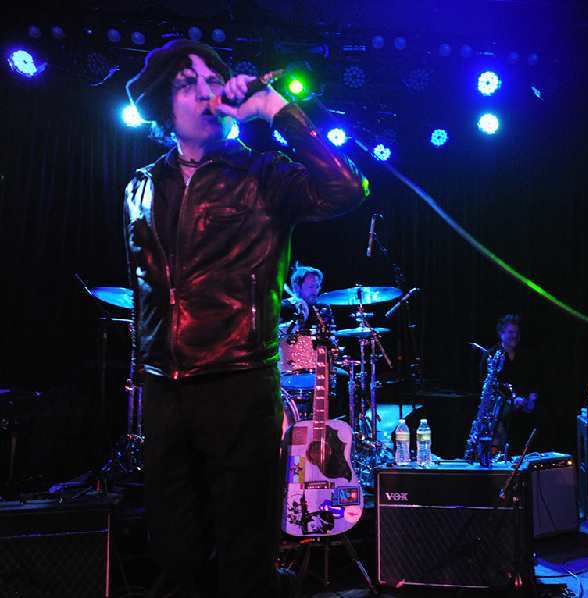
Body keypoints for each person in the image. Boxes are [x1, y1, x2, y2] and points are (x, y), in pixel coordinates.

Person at [123, 39, 367, 598]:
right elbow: (146, 292)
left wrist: (275, 111)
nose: (207, 90)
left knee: (245, 553)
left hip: (238, 381)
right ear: (165, 109)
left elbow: (345, 188)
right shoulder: (140, 185)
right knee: (175, 552)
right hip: (165, 388)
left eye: (213, 79)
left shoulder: (263, 174)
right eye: (189, 83)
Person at [477, 315, 541, 456]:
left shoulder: (526, 356)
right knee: (507, 417)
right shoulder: (491, 355)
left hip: (523, 405)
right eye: (511, 332)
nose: (515, 336)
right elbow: (487, 387)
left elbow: (534, 383)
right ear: (501, 333)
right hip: (500, 406)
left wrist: (531, 399)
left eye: (517, 333)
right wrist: (512, 400)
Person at [281, 263, 325, 328]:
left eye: (317, 287)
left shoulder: (322, 307)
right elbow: (276, 333)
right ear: (296, 287)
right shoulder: (283, 307)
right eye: (311, 287)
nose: (315, 291)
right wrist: (299, 321)